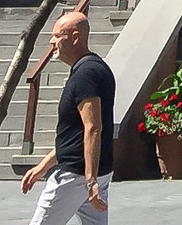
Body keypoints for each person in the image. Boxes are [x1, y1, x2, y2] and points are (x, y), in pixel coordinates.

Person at [20, 12, 113, 225]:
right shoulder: (93, 68)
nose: (51, 42)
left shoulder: (86, 74)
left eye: (57, 36)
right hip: (90, 173)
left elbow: (93, 128)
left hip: (75, 175)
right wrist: (43, 166)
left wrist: (90, 182)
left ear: (75, 37)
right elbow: (75, 134)